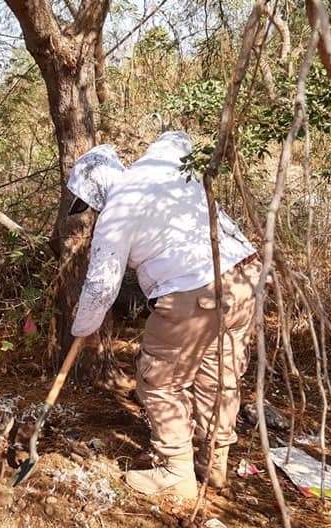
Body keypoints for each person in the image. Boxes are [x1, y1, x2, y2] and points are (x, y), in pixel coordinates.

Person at [66, 132, 261, 497]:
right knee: (220, 373)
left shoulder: (118, 209)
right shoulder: (165, 165)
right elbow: (178, 138)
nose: (92, 213)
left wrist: (84, 327)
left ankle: (176, 472)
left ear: (98, 190)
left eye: (90, 205)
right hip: (245, 276)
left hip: (193, 292)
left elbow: (101, 287)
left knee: (160, 382)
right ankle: (215, 463)